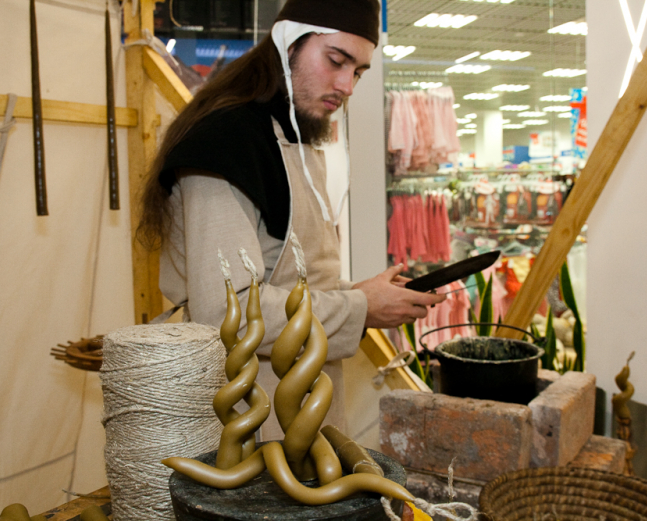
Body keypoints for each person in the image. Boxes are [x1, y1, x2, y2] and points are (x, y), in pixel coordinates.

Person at [137, 0, 445, 440]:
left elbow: (293, 274)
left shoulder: (296, 134)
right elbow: (230, 312)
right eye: (335, 60)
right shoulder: (224, 143)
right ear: (287, 44)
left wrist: (360, 294)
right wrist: (360, 308)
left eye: (357, 71)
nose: (347, 85)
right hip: (245, 415)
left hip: (306, 407)